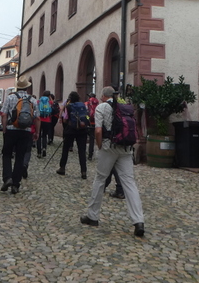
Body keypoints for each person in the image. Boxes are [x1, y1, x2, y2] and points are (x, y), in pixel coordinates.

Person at [81, 86, 144, 237]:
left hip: (108, 147)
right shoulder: (124, 107)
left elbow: (98, 131)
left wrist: (99, 146)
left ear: (103, 96)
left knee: (100, 179)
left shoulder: (101, 107)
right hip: (125, 148)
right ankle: (138, 221)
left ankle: (92, 216)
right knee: (129, 182)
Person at [0, 76, 39, 194]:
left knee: (7, 154)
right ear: (27, 88)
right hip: (25, 131)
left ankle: (7, 178)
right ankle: (16, 184)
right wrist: (37, 132)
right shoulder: (32, 100)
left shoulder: (10, 97)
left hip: (11, 130)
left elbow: (4, 114)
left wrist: (4, 128)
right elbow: (37, 118)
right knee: (20, 157)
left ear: (17, 87)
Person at [56, 90, 88, 179]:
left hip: (71, 130)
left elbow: (65, 119)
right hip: (82, 130)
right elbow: (87, 116)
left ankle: (62, 168)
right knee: (82, 151)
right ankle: (83, 171)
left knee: (65, 149)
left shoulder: (69, 106)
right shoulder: (83, 105)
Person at [36, 91, 53, 158]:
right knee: (44, 135)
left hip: (39, 120)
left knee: (38, 135)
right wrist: (50, 98)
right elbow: (52, 104)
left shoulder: (38, 101)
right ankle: (44, 148)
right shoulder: (49, 102)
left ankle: (39, 152)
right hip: (47, 120)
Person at [85, 92, 99, 160]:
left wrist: (87, 120)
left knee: (84, 137)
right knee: (92, 139)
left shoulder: (87, 103)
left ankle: (83, 151)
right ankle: (90, 154)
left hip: (88, 123)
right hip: (95, 123)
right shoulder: (98, 104)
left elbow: (85, 113)